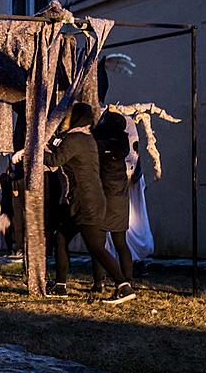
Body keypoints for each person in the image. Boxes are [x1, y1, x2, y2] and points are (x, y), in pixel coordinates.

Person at [15, 103, 136, 304]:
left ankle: (123, 286)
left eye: (68, 116)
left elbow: (55, 159)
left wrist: (30, 152)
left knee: (96, 247)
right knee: (62, 237)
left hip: (86, 202)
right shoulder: (86, 139)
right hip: (87, 201)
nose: (65, 119)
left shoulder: (77, 139)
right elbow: (60, 150)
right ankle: (61, 285)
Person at [91, 111, 133, 291]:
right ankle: (127, 281)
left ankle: (99, 283)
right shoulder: (122, 144)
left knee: (98, 245)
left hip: (103, 198)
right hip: (120, 199)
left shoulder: (100, 144)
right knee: (120, 243)